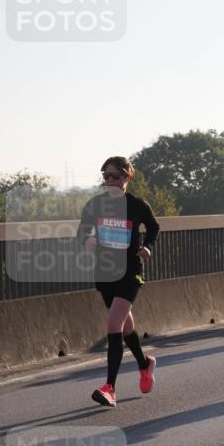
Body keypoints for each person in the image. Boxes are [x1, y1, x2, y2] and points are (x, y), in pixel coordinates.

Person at [77, 156, 159, 408]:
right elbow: (82, 231)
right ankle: (145, 364)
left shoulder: (137, 205)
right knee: (125, 327)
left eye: (115, 176)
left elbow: (154, 227)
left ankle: (110, 387)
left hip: (130, 273)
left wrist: (147, 247)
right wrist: (87, 240)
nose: (110, 180)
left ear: (126, 177)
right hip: (105, 274)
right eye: (106, 176)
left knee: (113, 324)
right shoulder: (95, 204)